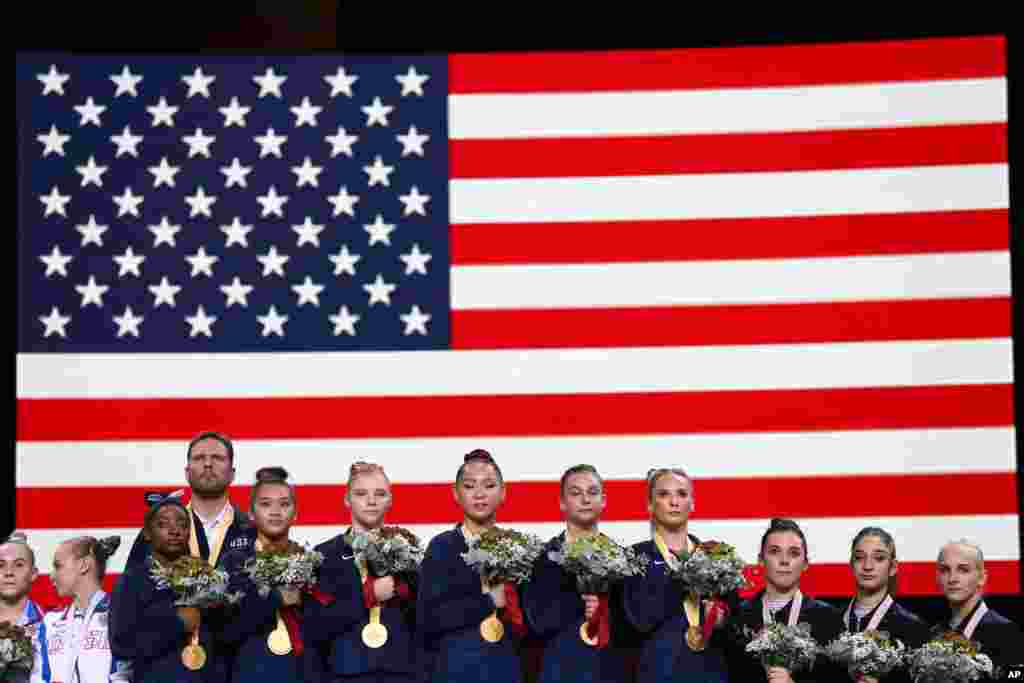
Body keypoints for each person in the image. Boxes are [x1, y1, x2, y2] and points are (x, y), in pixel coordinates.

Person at [416, 449, 525, 683]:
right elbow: (428, 619)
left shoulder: (520, 548)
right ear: (456, 493)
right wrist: (487, 601)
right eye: (469, 486)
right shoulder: (441, 547)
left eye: (488, 485)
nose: (479, 494)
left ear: (503, 492)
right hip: (455, 670)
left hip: (507, 670)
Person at [306, 461, 419, 682]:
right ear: (347, 500)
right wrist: (369, 594)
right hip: (344, 674)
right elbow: (315, 625)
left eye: (380, 493)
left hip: (401, 673)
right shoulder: (325, 555)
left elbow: (424, 622)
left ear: (390, 500)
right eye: (360, 493)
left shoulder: (410, 551)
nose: (371, 501)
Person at [622, 467, 731, 682]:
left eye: (682, 494)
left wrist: (721, 617)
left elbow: (734, 620)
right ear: (650, 505)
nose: (674, 502)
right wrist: (681, 578)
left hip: (710, 672)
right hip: (659, 673)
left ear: (693, 503)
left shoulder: (716, 555)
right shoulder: (634, 557)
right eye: (664, 494)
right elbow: (638, 620)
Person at [523, 464, 628, 683]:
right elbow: (537, 621)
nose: (585, 499)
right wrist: (580, 603)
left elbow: (633, 628)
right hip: (560, 671)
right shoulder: (541, 558)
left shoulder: (624, 559)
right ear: (562, 502)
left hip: (610, 673)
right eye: (575, 493)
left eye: (592, 492)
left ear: (604, 500)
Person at [110, 495, 226, 682]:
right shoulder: (133, 581)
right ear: (147, 533)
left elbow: (225, 640)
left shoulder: (207, 578)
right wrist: (176, 623)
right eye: (163, 524)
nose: (175, 531)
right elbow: (121, 644)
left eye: (182, 525)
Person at [218, 467, 313, 683]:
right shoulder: (233, 563)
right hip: (251, 674)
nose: (275, 511)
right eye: (265, 504)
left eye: (284, 504)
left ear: (295, 512)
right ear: (251, 513)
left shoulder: (311, 561)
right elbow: (224, 630)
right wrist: (276, 598)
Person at [725, 518, 844, 683]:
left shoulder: (827, 619)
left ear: (805, 564)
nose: (784, 561)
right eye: (774, 551)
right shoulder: (738, 617)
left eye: (794, 553)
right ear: (760, 560)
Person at [125, 431, 251, 570]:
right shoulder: (156, 532)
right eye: (199, 458)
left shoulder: (253, 531)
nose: (208, 464)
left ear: (232, 474)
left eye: (217, 458)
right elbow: (131, 588)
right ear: (187, 473)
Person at [840, 527, 928, 683]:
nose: (868, 566)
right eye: (860, 558)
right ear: (851, 564)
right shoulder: (833, 621)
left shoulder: (912, 628)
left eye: (879, 558)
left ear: (893, 567)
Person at [43, 535, 132, 682]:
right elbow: (39, 677)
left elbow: (128, 673)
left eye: (58, 566)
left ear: (84, 565)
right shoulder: (50, 622)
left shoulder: (122, 614)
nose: (51, 576)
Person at [935, 539, 1022, 674]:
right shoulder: (935, 634)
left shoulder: (1006, 632)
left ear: (982, 577)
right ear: (937, 577)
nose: (952, 579)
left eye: (963, 570)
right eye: (945, 570)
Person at [0, 533, 47, 683]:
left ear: (33, 574)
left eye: (19, 565)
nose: (9, 573)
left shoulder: (52, 624)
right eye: (0, 565)